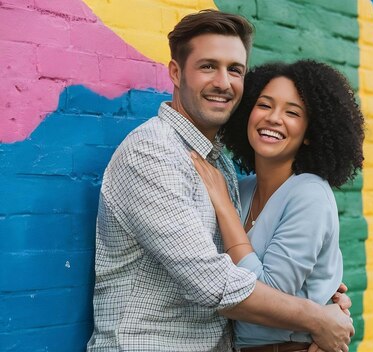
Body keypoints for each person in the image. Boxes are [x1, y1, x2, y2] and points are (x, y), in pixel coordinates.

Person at [87, 10, 353, 352]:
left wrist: (320, 291)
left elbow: (249, 272)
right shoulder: (153, 153)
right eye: (208, 66)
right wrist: (315, 317)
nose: (223, 82)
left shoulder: (219, 167)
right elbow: (213, 283)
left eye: (235, 70)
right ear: (176, 72)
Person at [190, 60, 365, 351]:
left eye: (292, 112)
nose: (273, 118)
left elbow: (270, 296)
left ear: (310, 132)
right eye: (264, 105)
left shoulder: (309, 193)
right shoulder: (241, 190)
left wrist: (223, 206)